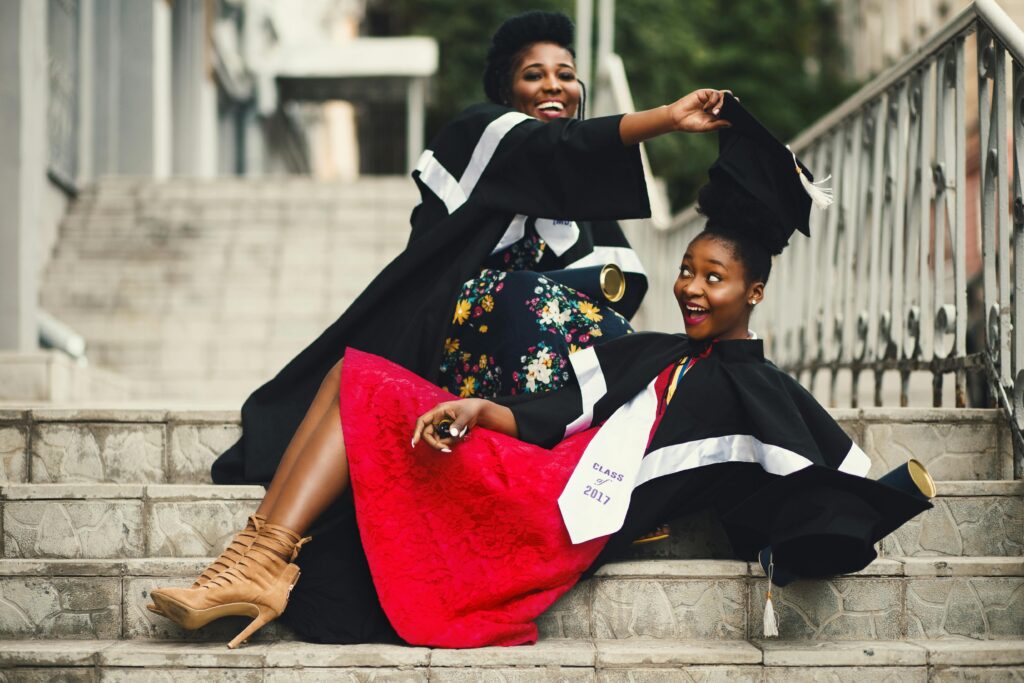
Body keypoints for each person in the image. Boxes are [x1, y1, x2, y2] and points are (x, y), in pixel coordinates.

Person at [149, 93, 933, 649]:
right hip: (530, 468)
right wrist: (482, 410)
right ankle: (255, 561)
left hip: (552, 516)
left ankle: (256, 565)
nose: (692, 287)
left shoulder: (753, 388)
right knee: (355, 374)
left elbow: (823, 479)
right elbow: (561, 407)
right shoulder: (658, 351)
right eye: (688, 269)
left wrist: (891, 500)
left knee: (359, 384)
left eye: (714, 277)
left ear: (754, 291)